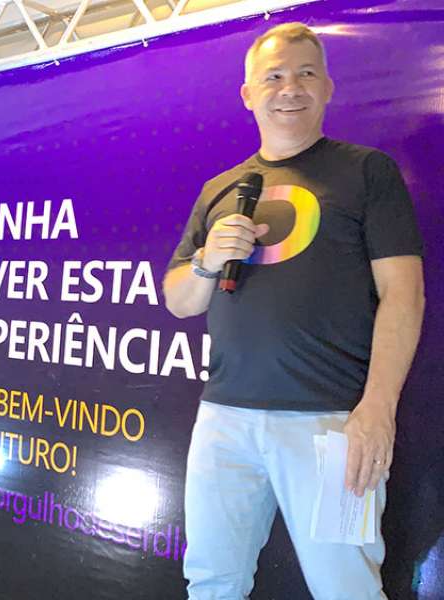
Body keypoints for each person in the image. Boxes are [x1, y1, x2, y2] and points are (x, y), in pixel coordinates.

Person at [162, 22, 425, 599]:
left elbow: (405, 294)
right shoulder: (220, 189)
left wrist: (377, 410)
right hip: (224, 421)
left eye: (306, 73)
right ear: (248, 94)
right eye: (274, 76)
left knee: (347, 589)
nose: (290, 88)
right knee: (211, 582)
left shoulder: (366, 172)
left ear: (327, 87)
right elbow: (179, 300)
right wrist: (207, 260)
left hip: (332, 424)